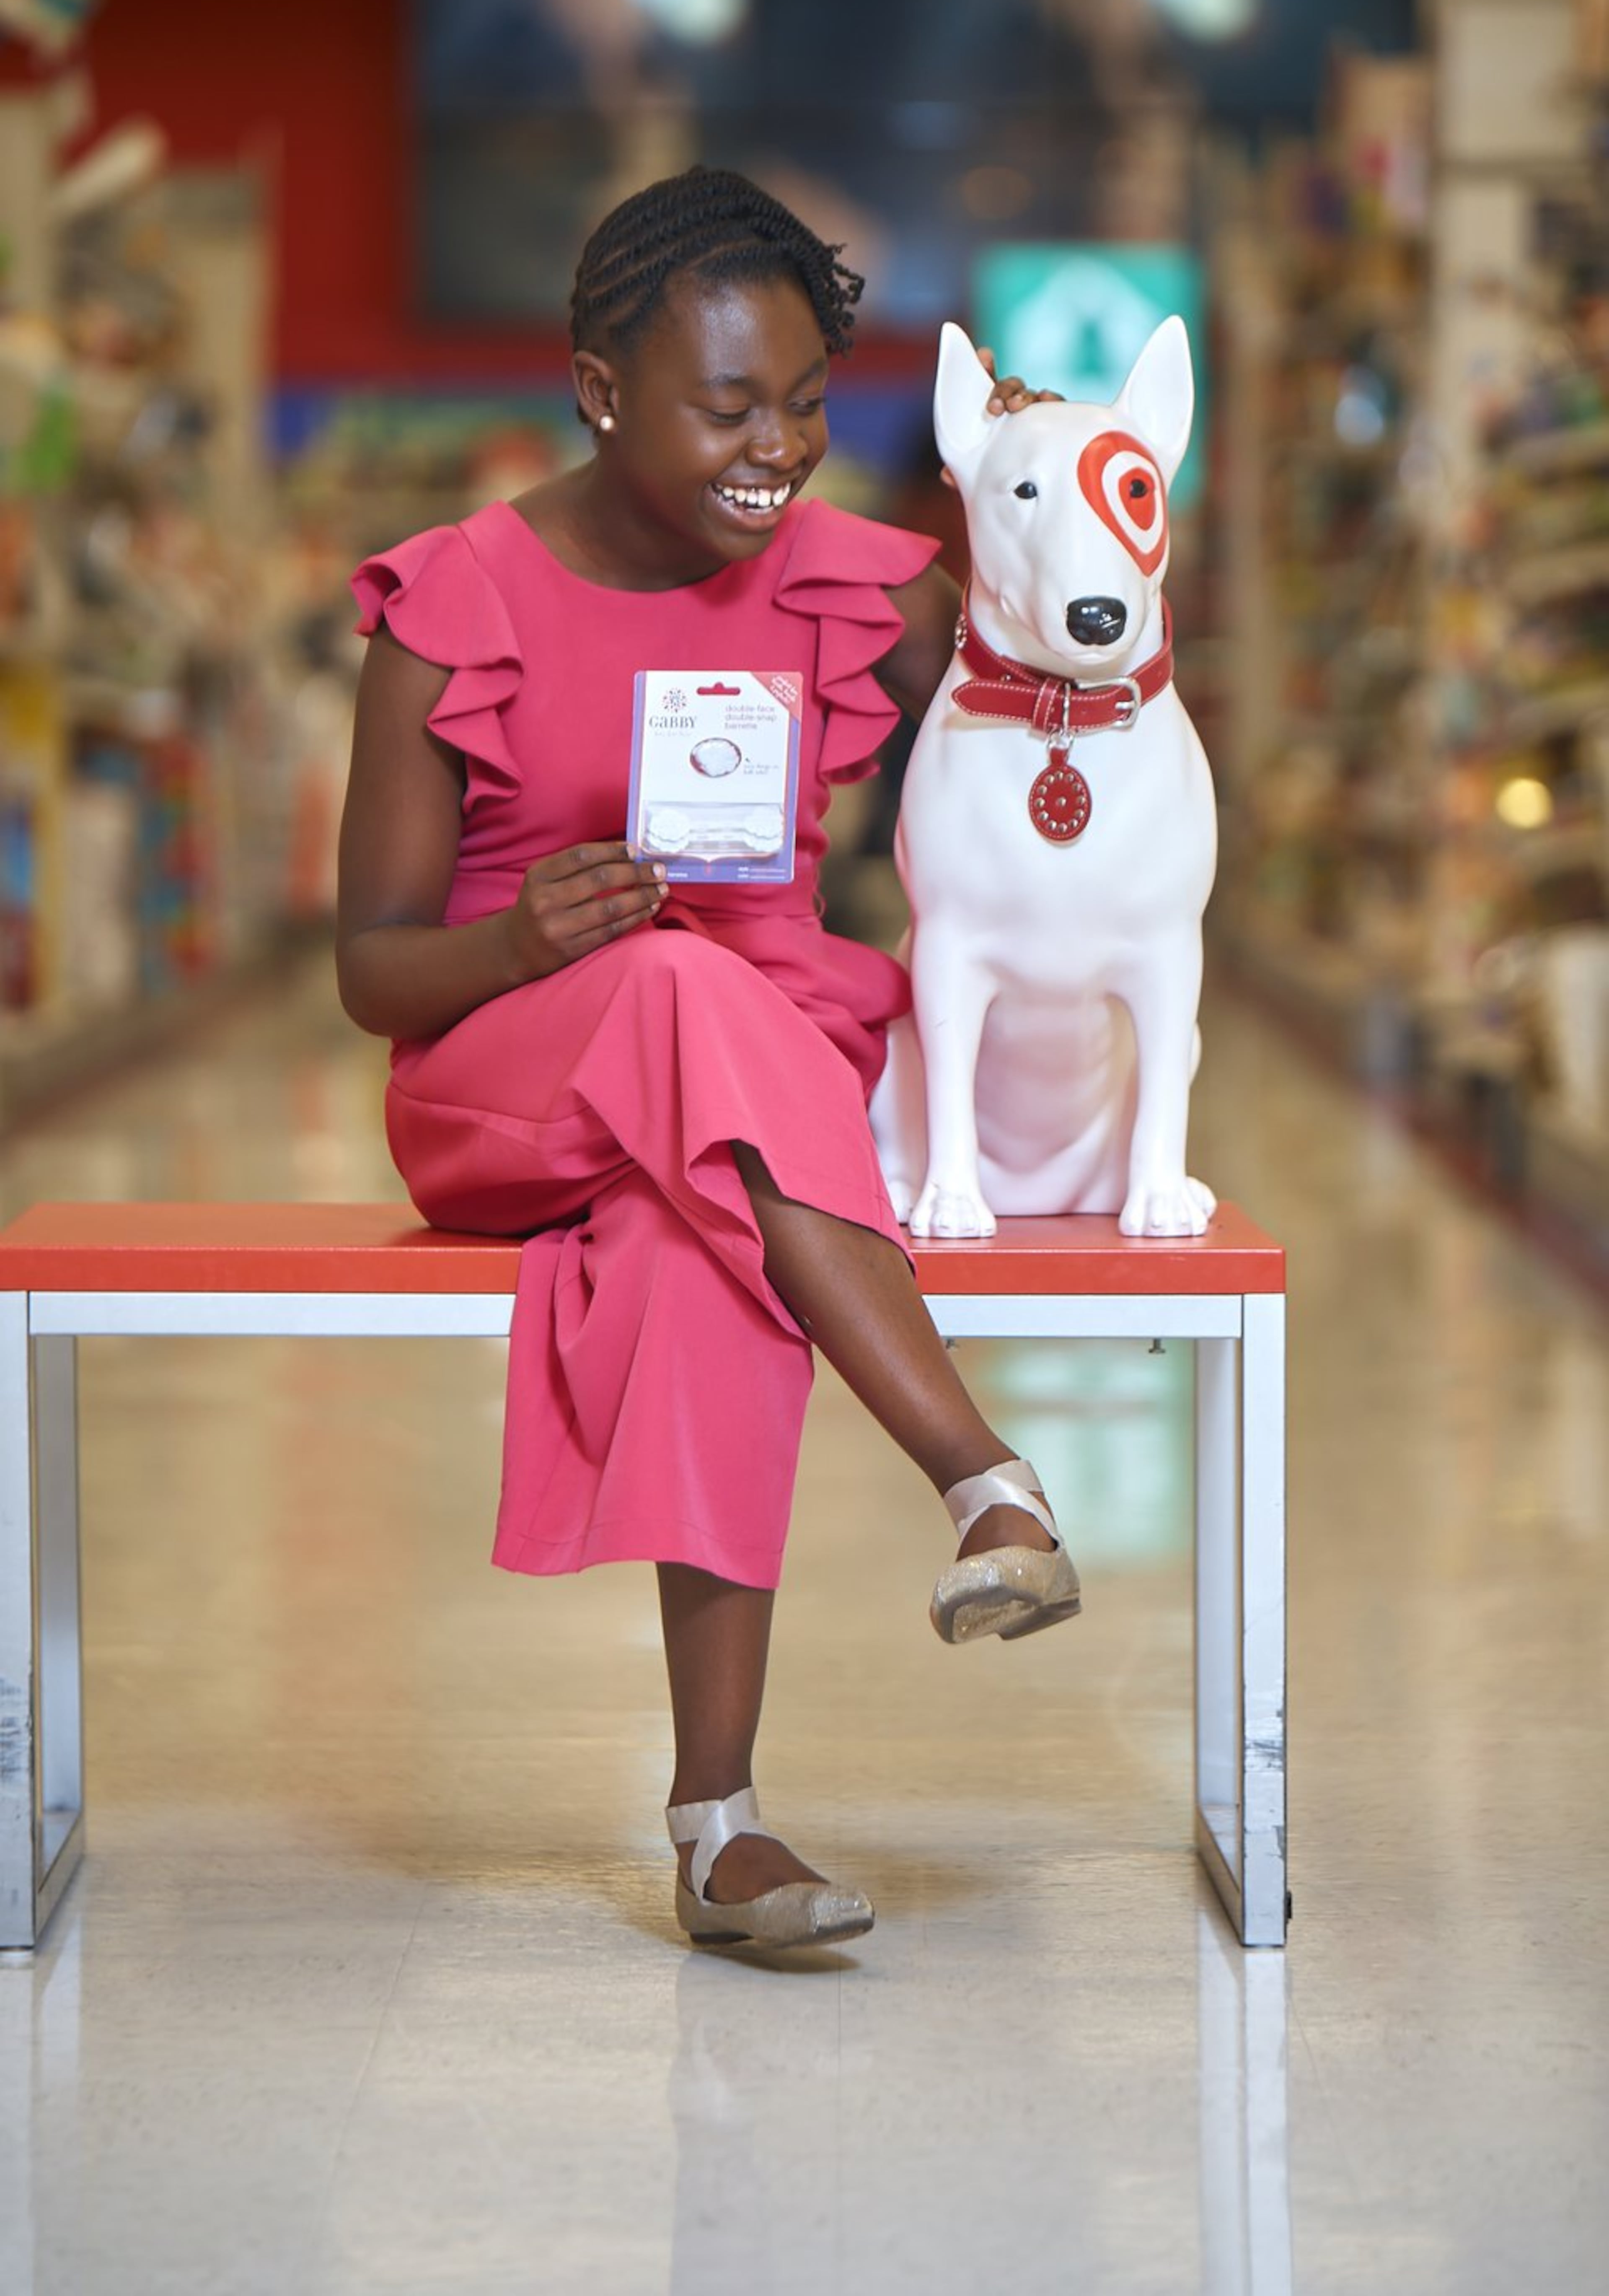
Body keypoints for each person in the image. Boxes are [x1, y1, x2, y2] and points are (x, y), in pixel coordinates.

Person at [336, 168, 1081, 1954]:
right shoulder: (455, 603)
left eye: (812, 399)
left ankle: (717, 1826)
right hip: (505, 1076)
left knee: (704, 1243)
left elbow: (1045, 745)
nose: (783, 446)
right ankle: (981, 1474)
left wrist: (1042, 501)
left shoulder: (846, 588)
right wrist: (528, 940)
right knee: (675, 997)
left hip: (752, 1096)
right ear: (601, 391)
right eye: (731, 404)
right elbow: (371, 973)